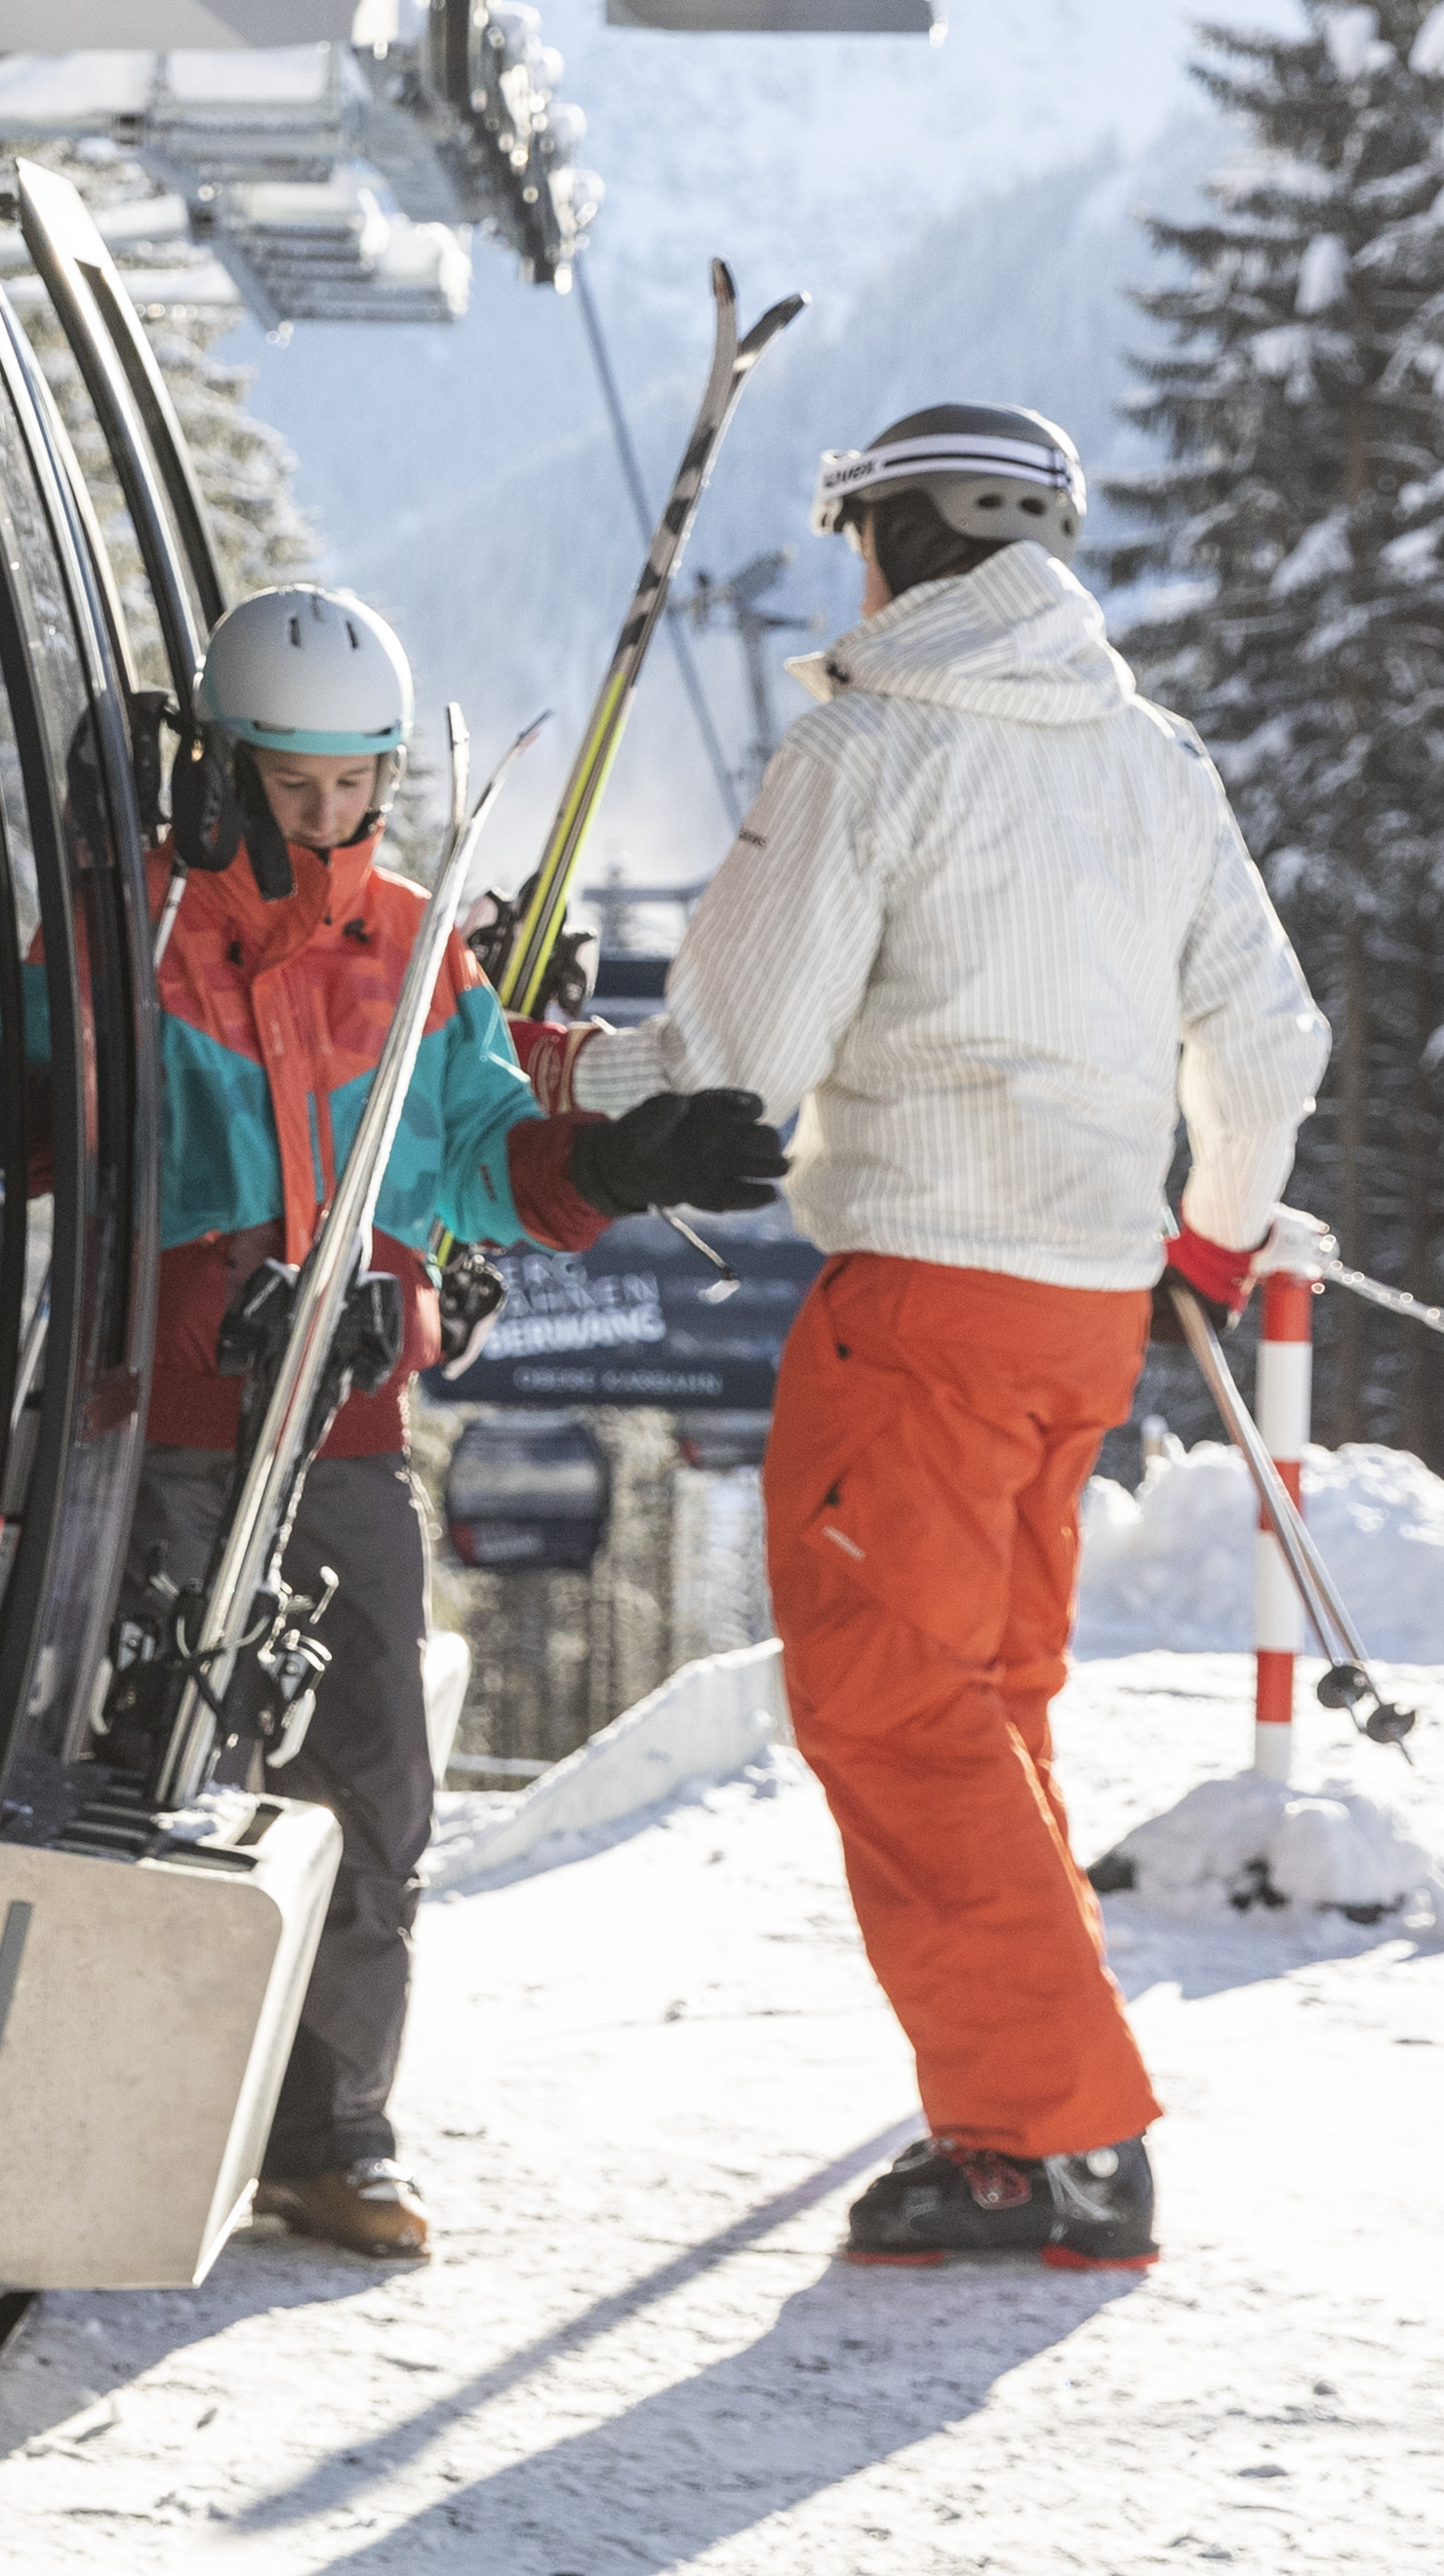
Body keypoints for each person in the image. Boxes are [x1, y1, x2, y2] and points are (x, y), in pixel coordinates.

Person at [577, 403, 1328, 2276]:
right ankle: (1006, 2116)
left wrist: (557, 1072)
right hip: (1087, 1313)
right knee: (983, 1708)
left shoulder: (866, 746)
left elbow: (730, 1063)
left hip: (915, 1302)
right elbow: (1271, 1042)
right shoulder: (1158, 764)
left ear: (887, 543)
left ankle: (1062, 2142)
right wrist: (1210, 1244)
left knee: (892, 1713)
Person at [144, 580, 790, 2265]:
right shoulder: (144, 936)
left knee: (370, 1775)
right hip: (173, 1421)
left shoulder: (416, 958)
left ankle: (331, 2128)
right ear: (223, 767)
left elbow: (487, 1148)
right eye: (293, 783)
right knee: (156, 1758)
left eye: (356, 782)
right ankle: (137, 2099)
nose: (329, 815)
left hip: (346, 1425)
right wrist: (211, 1271)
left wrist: (617, 1162)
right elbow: (73, 1149)